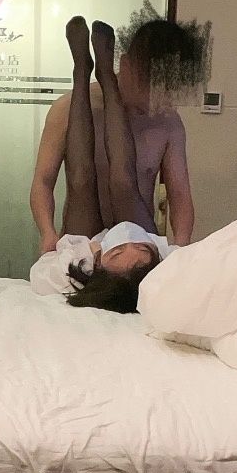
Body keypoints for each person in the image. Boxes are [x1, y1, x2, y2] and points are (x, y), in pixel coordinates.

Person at [30, 17, 179, 313]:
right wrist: (181, 248)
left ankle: (81, 72)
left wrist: (50, 236)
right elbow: (43, 181)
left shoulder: (74, 271)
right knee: (122, 181)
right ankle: (105, 76)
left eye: (117, 252)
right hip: (139, 228)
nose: (153, 92)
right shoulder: (62, 109)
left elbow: (179, 192)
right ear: (126, 65)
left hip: (85, 241)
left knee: (82, 180)